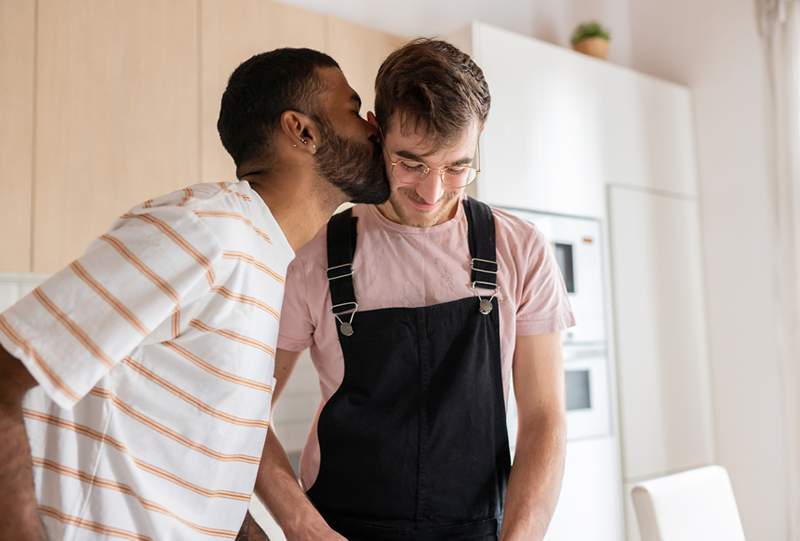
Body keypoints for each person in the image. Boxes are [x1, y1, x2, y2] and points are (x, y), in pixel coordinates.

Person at [0, 47, 389, 540]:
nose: (373, 126)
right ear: (303, 130)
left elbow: (184, 447)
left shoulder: (262, 258)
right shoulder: (207, 230)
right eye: (353, 109)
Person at [256, 39, 575, 541]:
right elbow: (245, 411)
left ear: (479, 140)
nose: (432, 193)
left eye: (457, 168)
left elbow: (544, 418)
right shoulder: (314, 256)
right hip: (340, 526)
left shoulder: (520, 250)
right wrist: (302, 528)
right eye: (412, 163)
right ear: (377, 132)